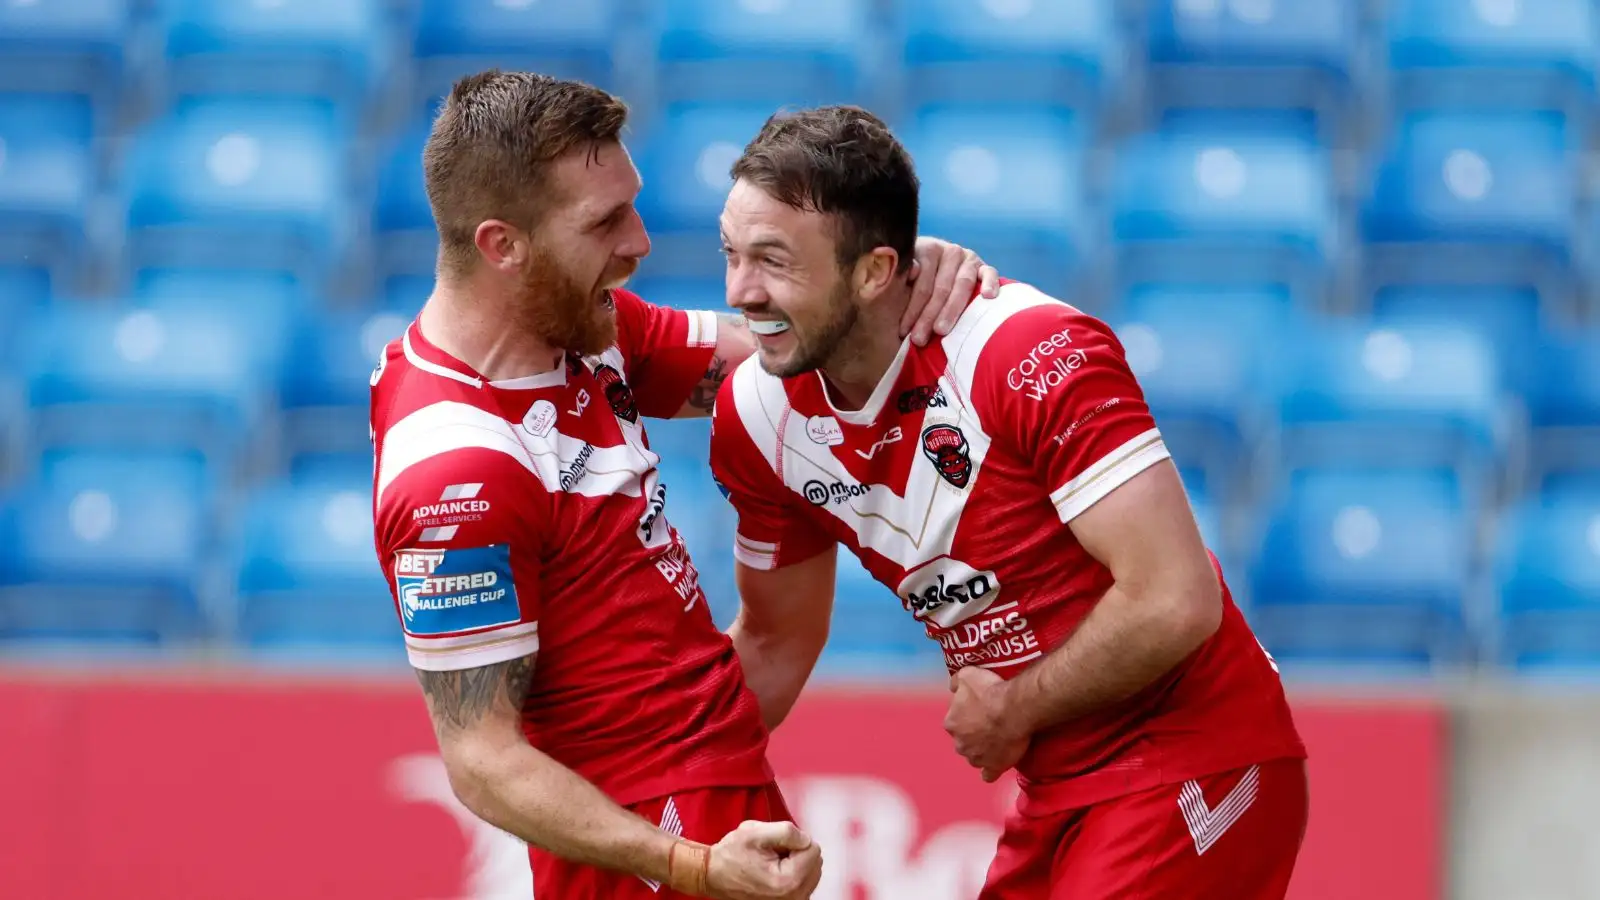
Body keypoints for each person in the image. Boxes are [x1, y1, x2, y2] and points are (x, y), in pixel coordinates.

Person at [368, 71, 997, 899]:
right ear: (502, 245)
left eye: (630, 203)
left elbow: (791, 353)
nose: (640, 241)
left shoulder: (583, 328)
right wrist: (689, 866)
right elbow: (482, 761)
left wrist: (889, 279)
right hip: (651, 848)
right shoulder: (458, 471)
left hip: (713, 794)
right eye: (604, 221)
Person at [707, 105, 1310, 898]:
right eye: (731, 254)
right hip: (1056, 790)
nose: (739, 291)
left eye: (773, 261)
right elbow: (777, 643)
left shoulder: (1025, 350)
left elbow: (1175, 599)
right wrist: (647, 806)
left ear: (875, 271)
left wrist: (1016, 707)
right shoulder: (755, 415)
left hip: (1195, 754)